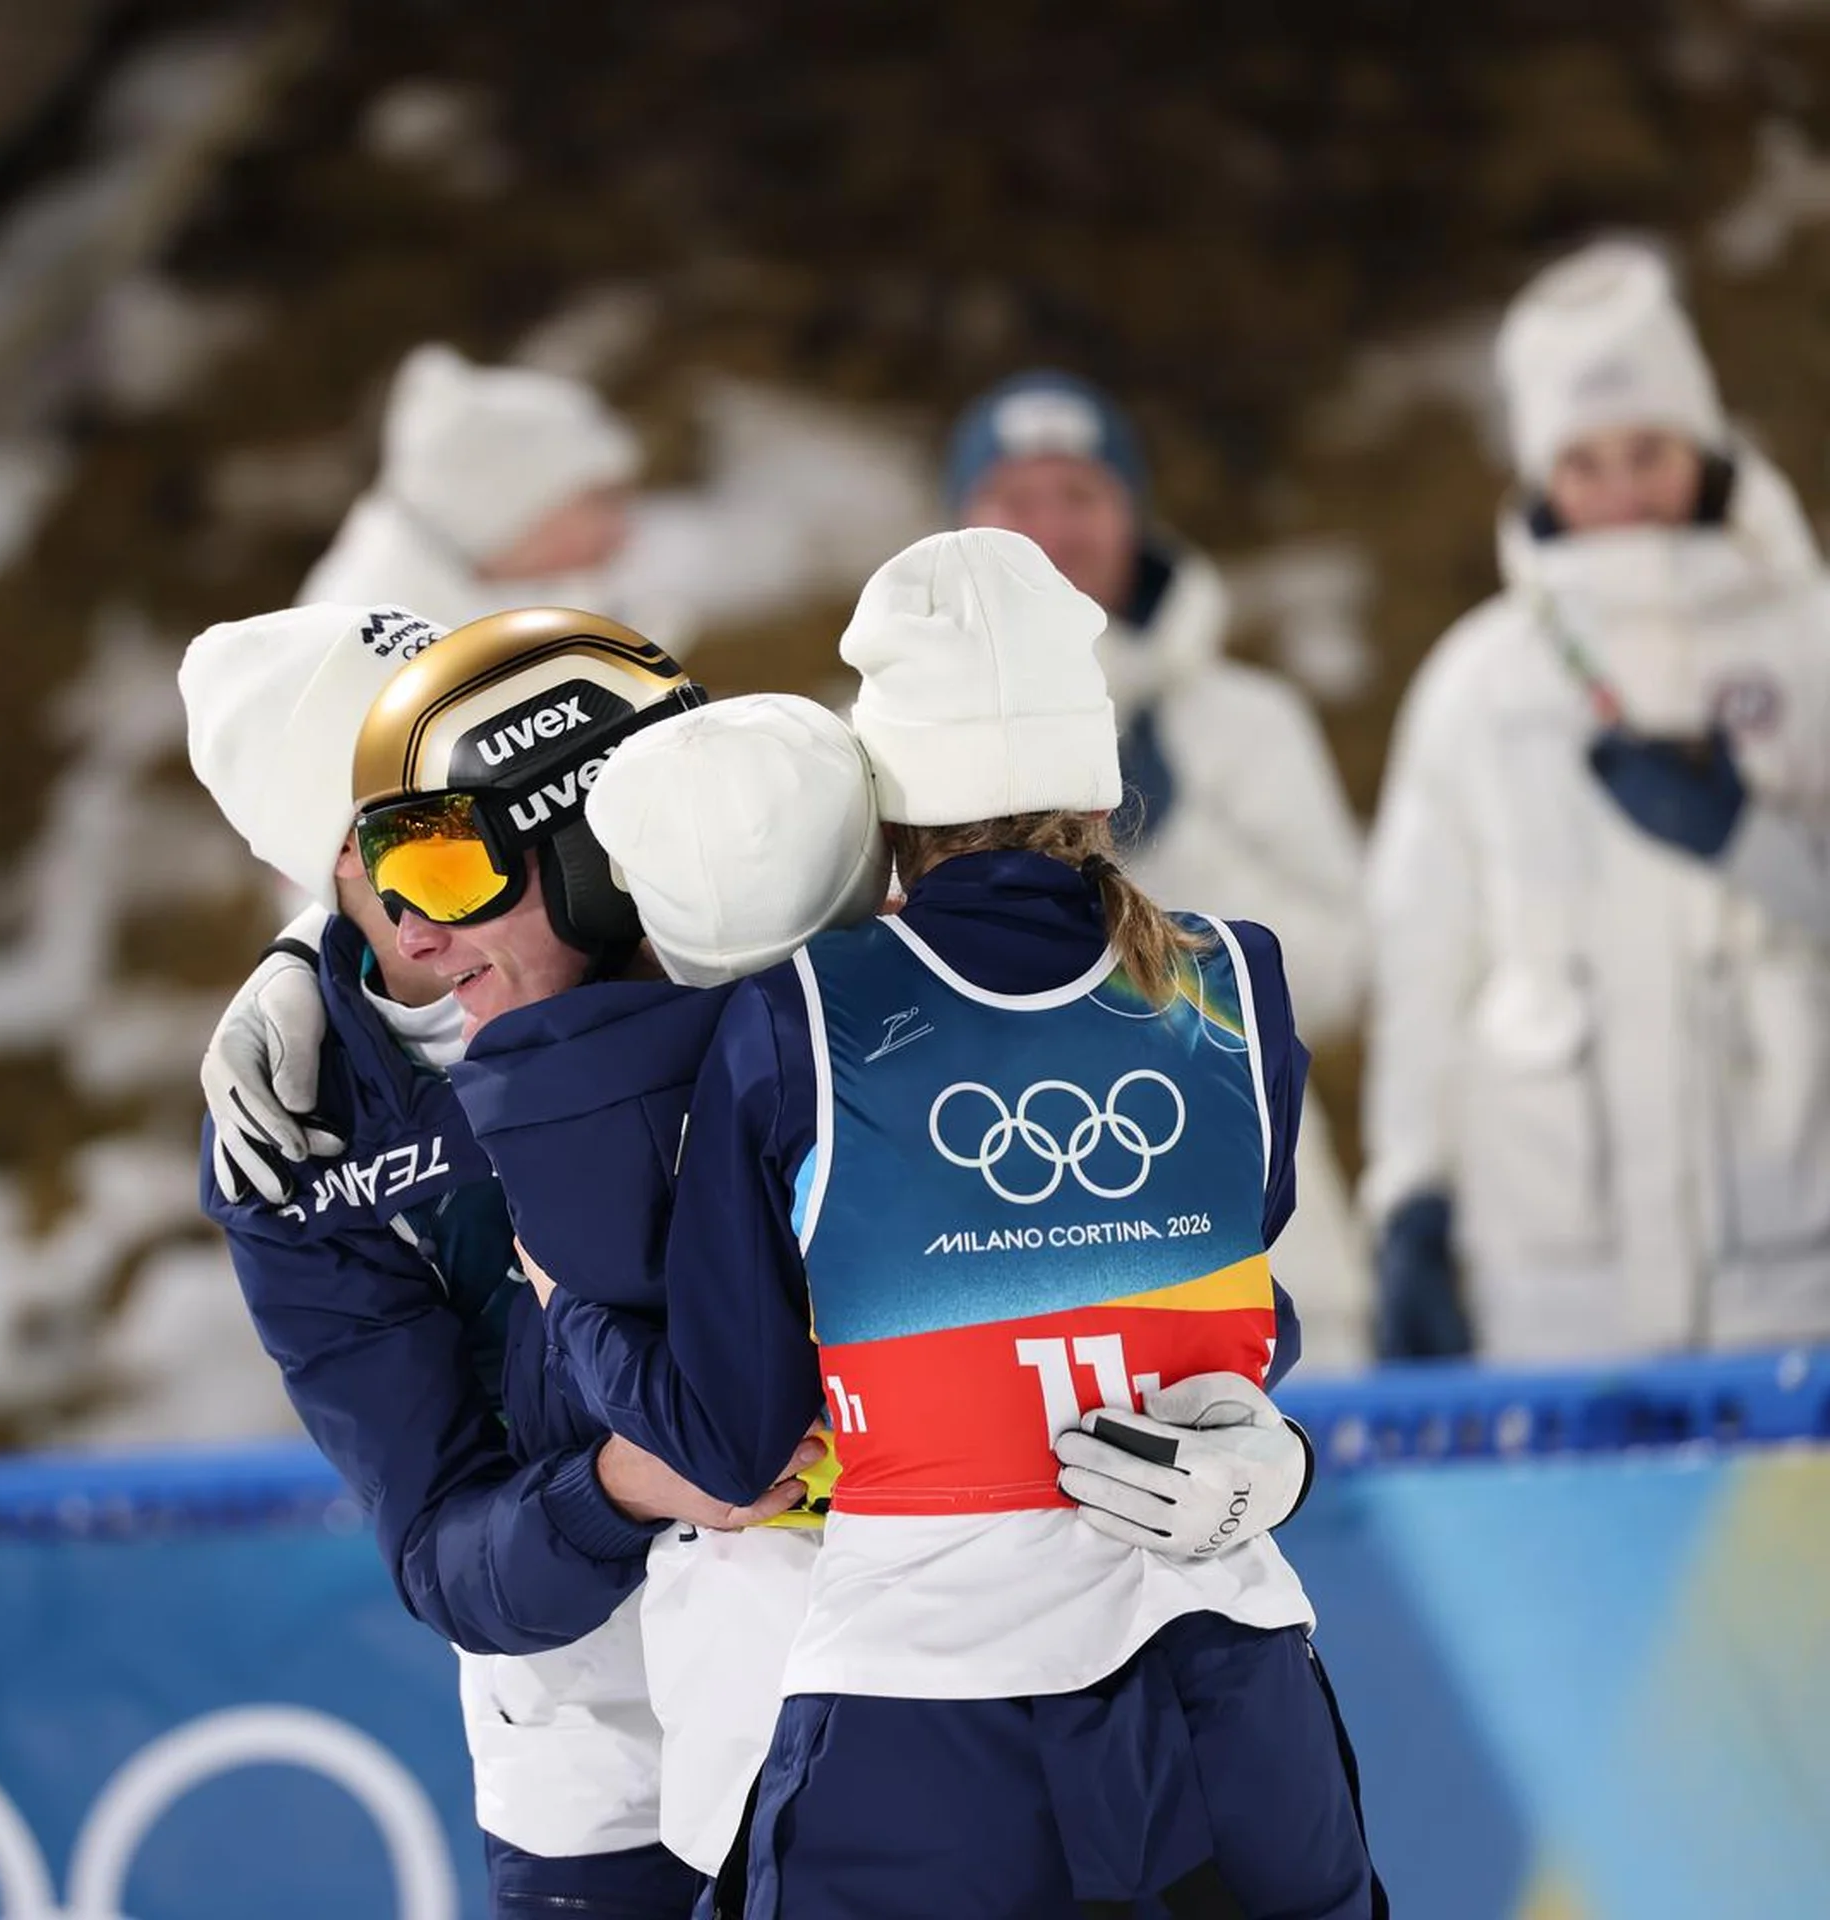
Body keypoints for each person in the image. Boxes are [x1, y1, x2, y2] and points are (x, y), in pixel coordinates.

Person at [396, 532, 1377, 1917]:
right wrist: (1270, 1452)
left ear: (886, 799)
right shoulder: (1236, 983)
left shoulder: (800, 1016)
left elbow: (732, 1434)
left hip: (933, 1737)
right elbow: (1237, 1314)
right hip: (1234, 1696)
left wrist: (573, 1308)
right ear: (1097, 778)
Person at [179, 600, 813, 1919]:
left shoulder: (703, 902)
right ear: (330, 867)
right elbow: (439, 1544)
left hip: (837, 1642)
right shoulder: (296, 1122)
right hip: (583, 1739)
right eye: (384, 848)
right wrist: (626, 1486)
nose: (428, 903)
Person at [1366, 241, 1830, 1361]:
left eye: (1649, 451)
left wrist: (1750, 846)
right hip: (1566, 1286)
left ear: (1703, 444)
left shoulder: (1812, 647)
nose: (1621, 491)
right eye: (1585, 462)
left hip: (1798, 1273)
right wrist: (1412, 1195)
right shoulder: (1484, 680)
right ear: (1539, 475)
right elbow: (1426, 959)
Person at [949, 370, 1374, 1367]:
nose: (1052, 527)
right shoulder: (880, 734)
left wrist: (1164, 842)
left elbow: (1343, 978)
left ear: (1131, 513)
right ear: (962, 522)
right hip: (1010, 1257)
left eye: (1082, 495)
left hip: (1268, 1249)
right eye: (1016, 498)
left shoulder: (1248, 720)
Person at [302, 343, 656, 632]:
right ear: (513, 499)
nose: (621, 532)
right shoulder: (363, 637)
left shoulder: (557, 598)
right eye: (600, 502)